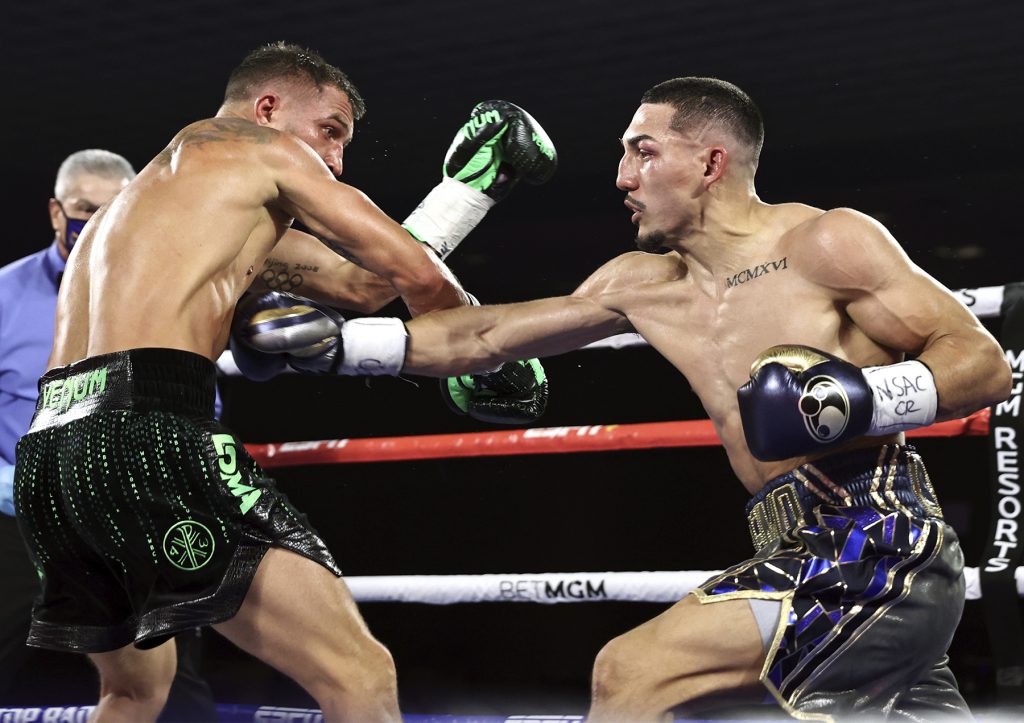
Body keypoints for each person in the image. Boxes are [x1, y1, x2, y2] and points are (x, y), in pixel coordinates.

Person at [245, 77, 1012, 720]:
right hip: (793, 542)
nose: (622, 176)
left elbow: (982, 364)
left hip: (876, 538)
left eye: (643, 151)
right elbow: (483, 338)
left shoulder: (824, 244)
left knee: (631, 669)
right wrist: (345, 346)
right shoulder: (642, 283)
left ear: (711, 161)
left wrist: (856, 402)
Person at [12, 42, 553, 722]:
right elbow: (419, 278)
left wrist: (468, 185)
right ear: (268, 108)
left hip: (52, 462)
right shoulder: (259, 148)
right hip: (148, 434)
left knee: (132, 693)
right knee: (360, 674)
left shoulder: (159, 202)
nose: (335, 160)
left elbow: (363, 283)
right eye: (330, 130)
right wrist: (483, 353)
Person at [0, 149, 215, 720]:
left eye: (110, 209)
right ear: (54, 211)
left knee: (172, 689)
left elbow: (199, 406)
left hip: (132, 512)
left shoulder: (169, 294)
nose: (93, 221)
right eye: (81, 208)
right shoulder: (3, 295)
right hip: (16, 522)